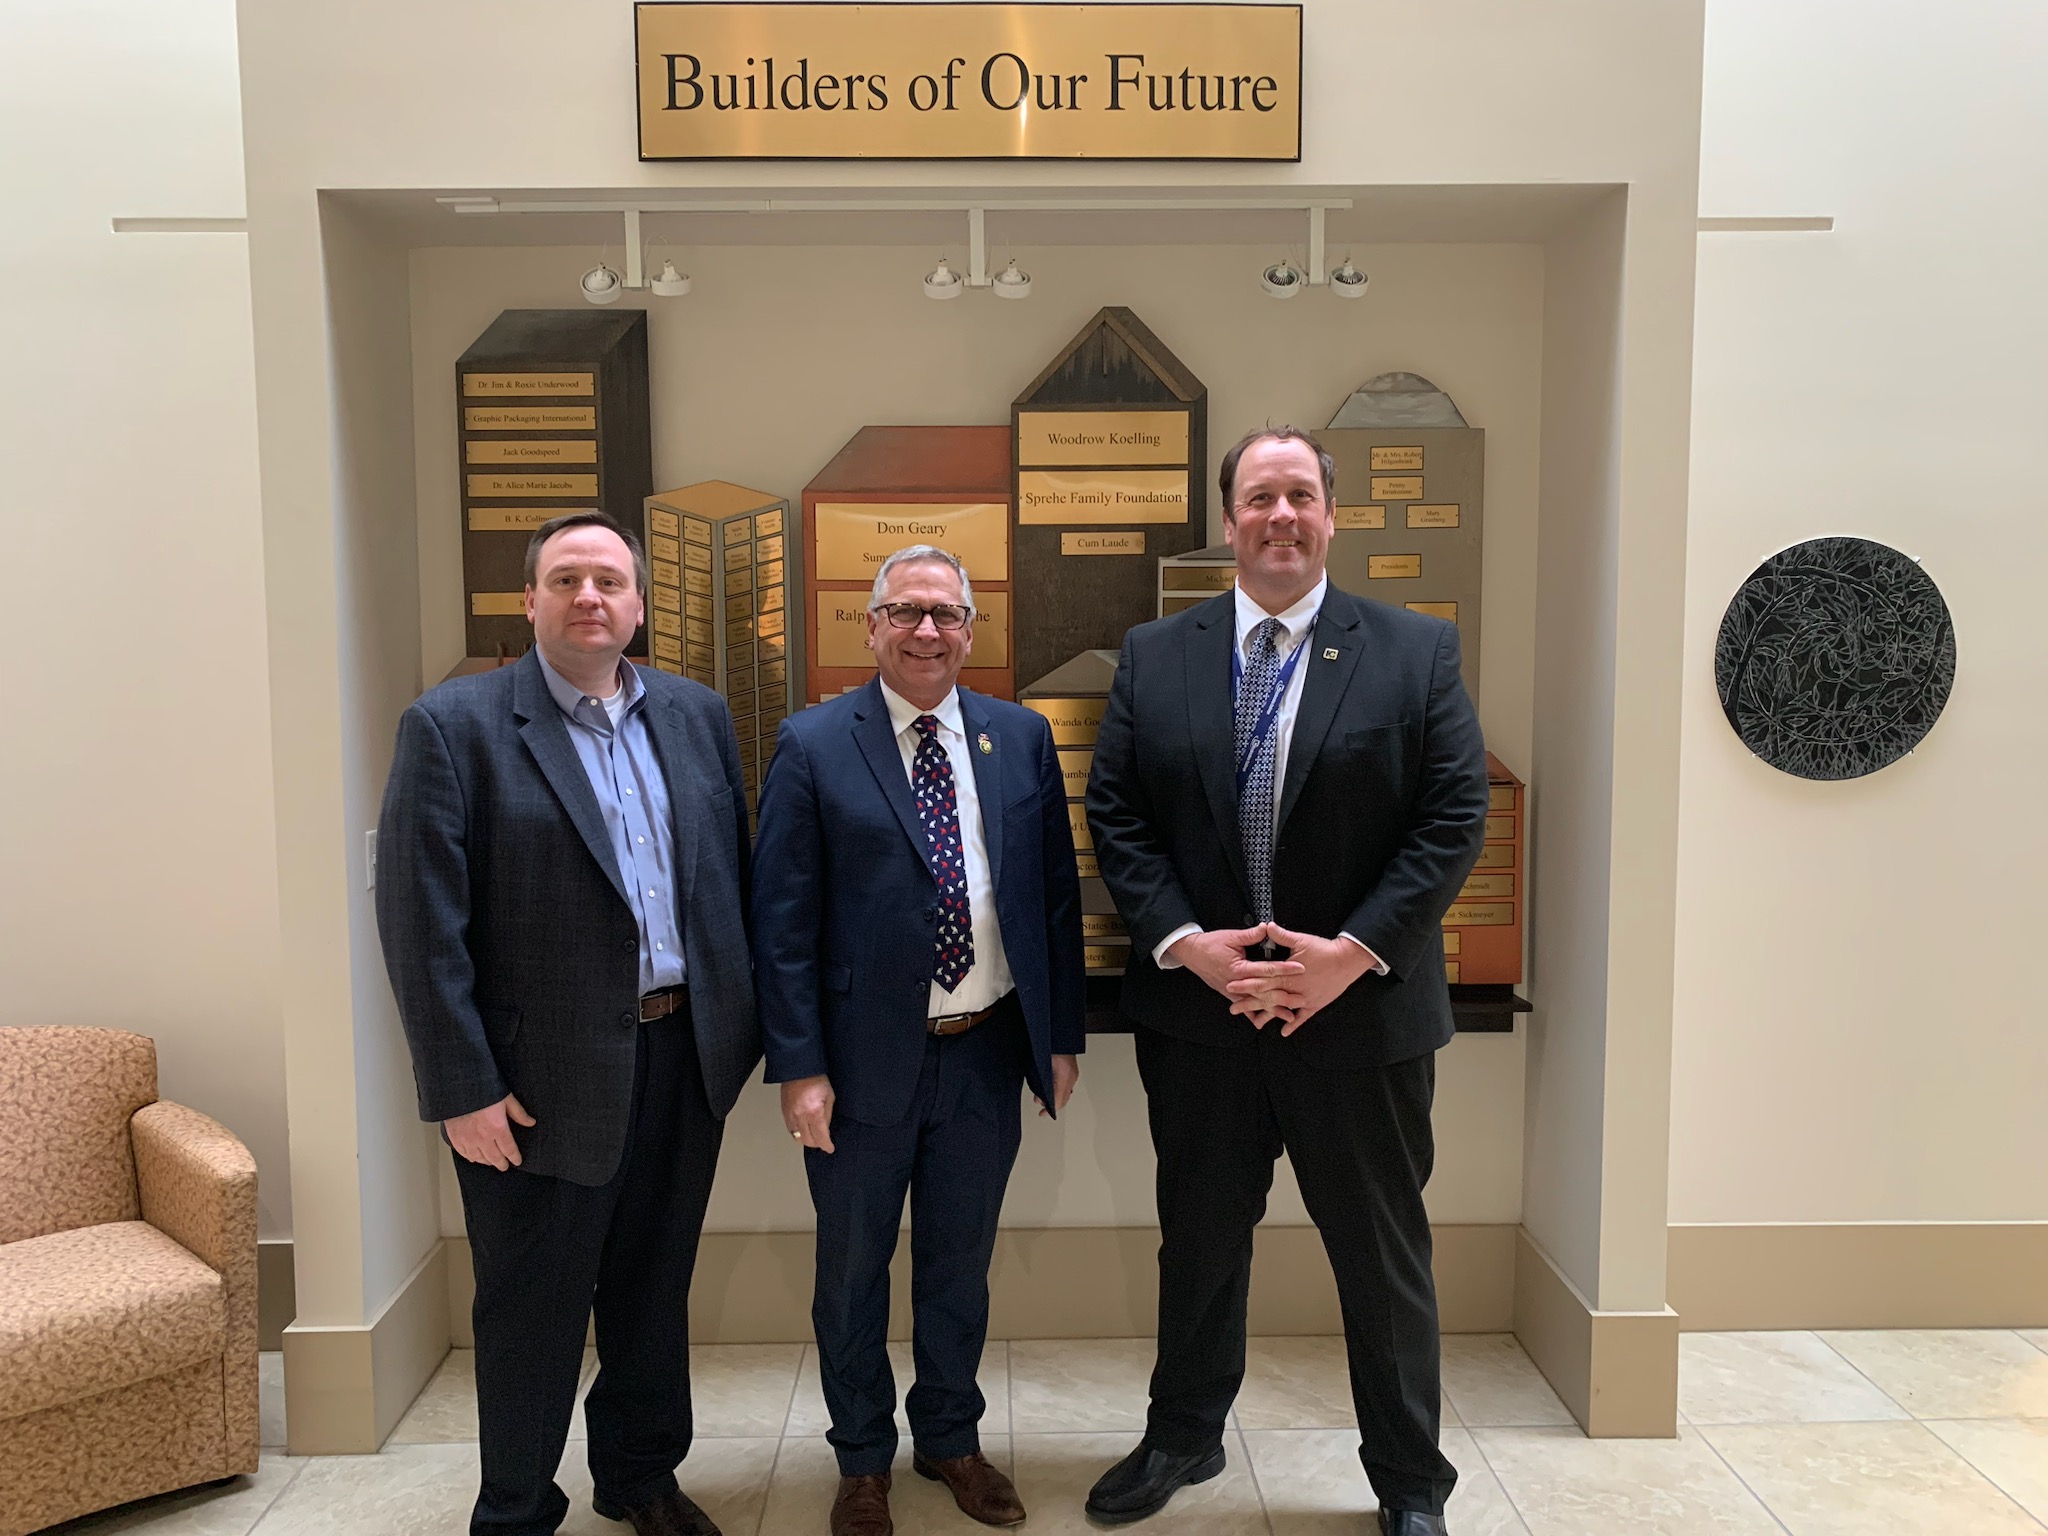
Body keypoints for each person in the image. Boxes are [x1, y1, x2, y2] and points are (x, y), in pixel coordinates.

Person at [1083, 428, 1490, 1536]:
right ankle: (1183, 1436)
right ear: (1228, 521)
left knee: (1380, 1257)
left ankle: (1410, 1483)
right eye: (1258, 496)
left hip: (1358, 1020)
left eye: (1298, 495)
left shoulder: (1412, 650)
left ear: (1328, 516)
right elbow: (1115, 814)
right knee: (1201, 1240)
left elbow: (1453, 817)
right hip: (1201, 1019)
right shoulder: (1156, 653)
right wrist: (1191, 947)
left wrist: (1345, 956)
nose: (1279, 515)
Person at [375, 512, 759, 1536]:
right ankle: (513, 1509)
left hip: (681, 1056)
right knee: (531, 1308)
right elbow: (421, 928)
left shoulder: (694, 715)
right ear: (529, 602)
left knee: (650, 1289)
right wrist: (460, 1089)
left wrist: (743, 1034)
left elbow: (726, 884)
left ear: (638, 604)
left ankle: (639, 1478)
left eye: (608, 581)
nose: (589, 597)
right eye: (566, 580)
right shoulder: (452, 727)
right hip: (531, 1082)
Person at [752, 545, 1087, 1536]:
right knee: (852, 1268)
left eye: (944, 614)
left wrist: (1055, 1038)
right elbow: (780, 922)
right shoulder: (814, 744)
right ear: (870, 627)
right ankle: (861, 1460)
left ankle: (948, 1438)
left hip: (986, 1052)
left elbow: (1053, 903)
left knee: (958, 1264)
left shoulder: (1017, 739)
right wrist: (800, 1066)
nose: (926, 631)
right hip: (858, 1066)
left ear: (970, 630)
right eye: (904, 612)